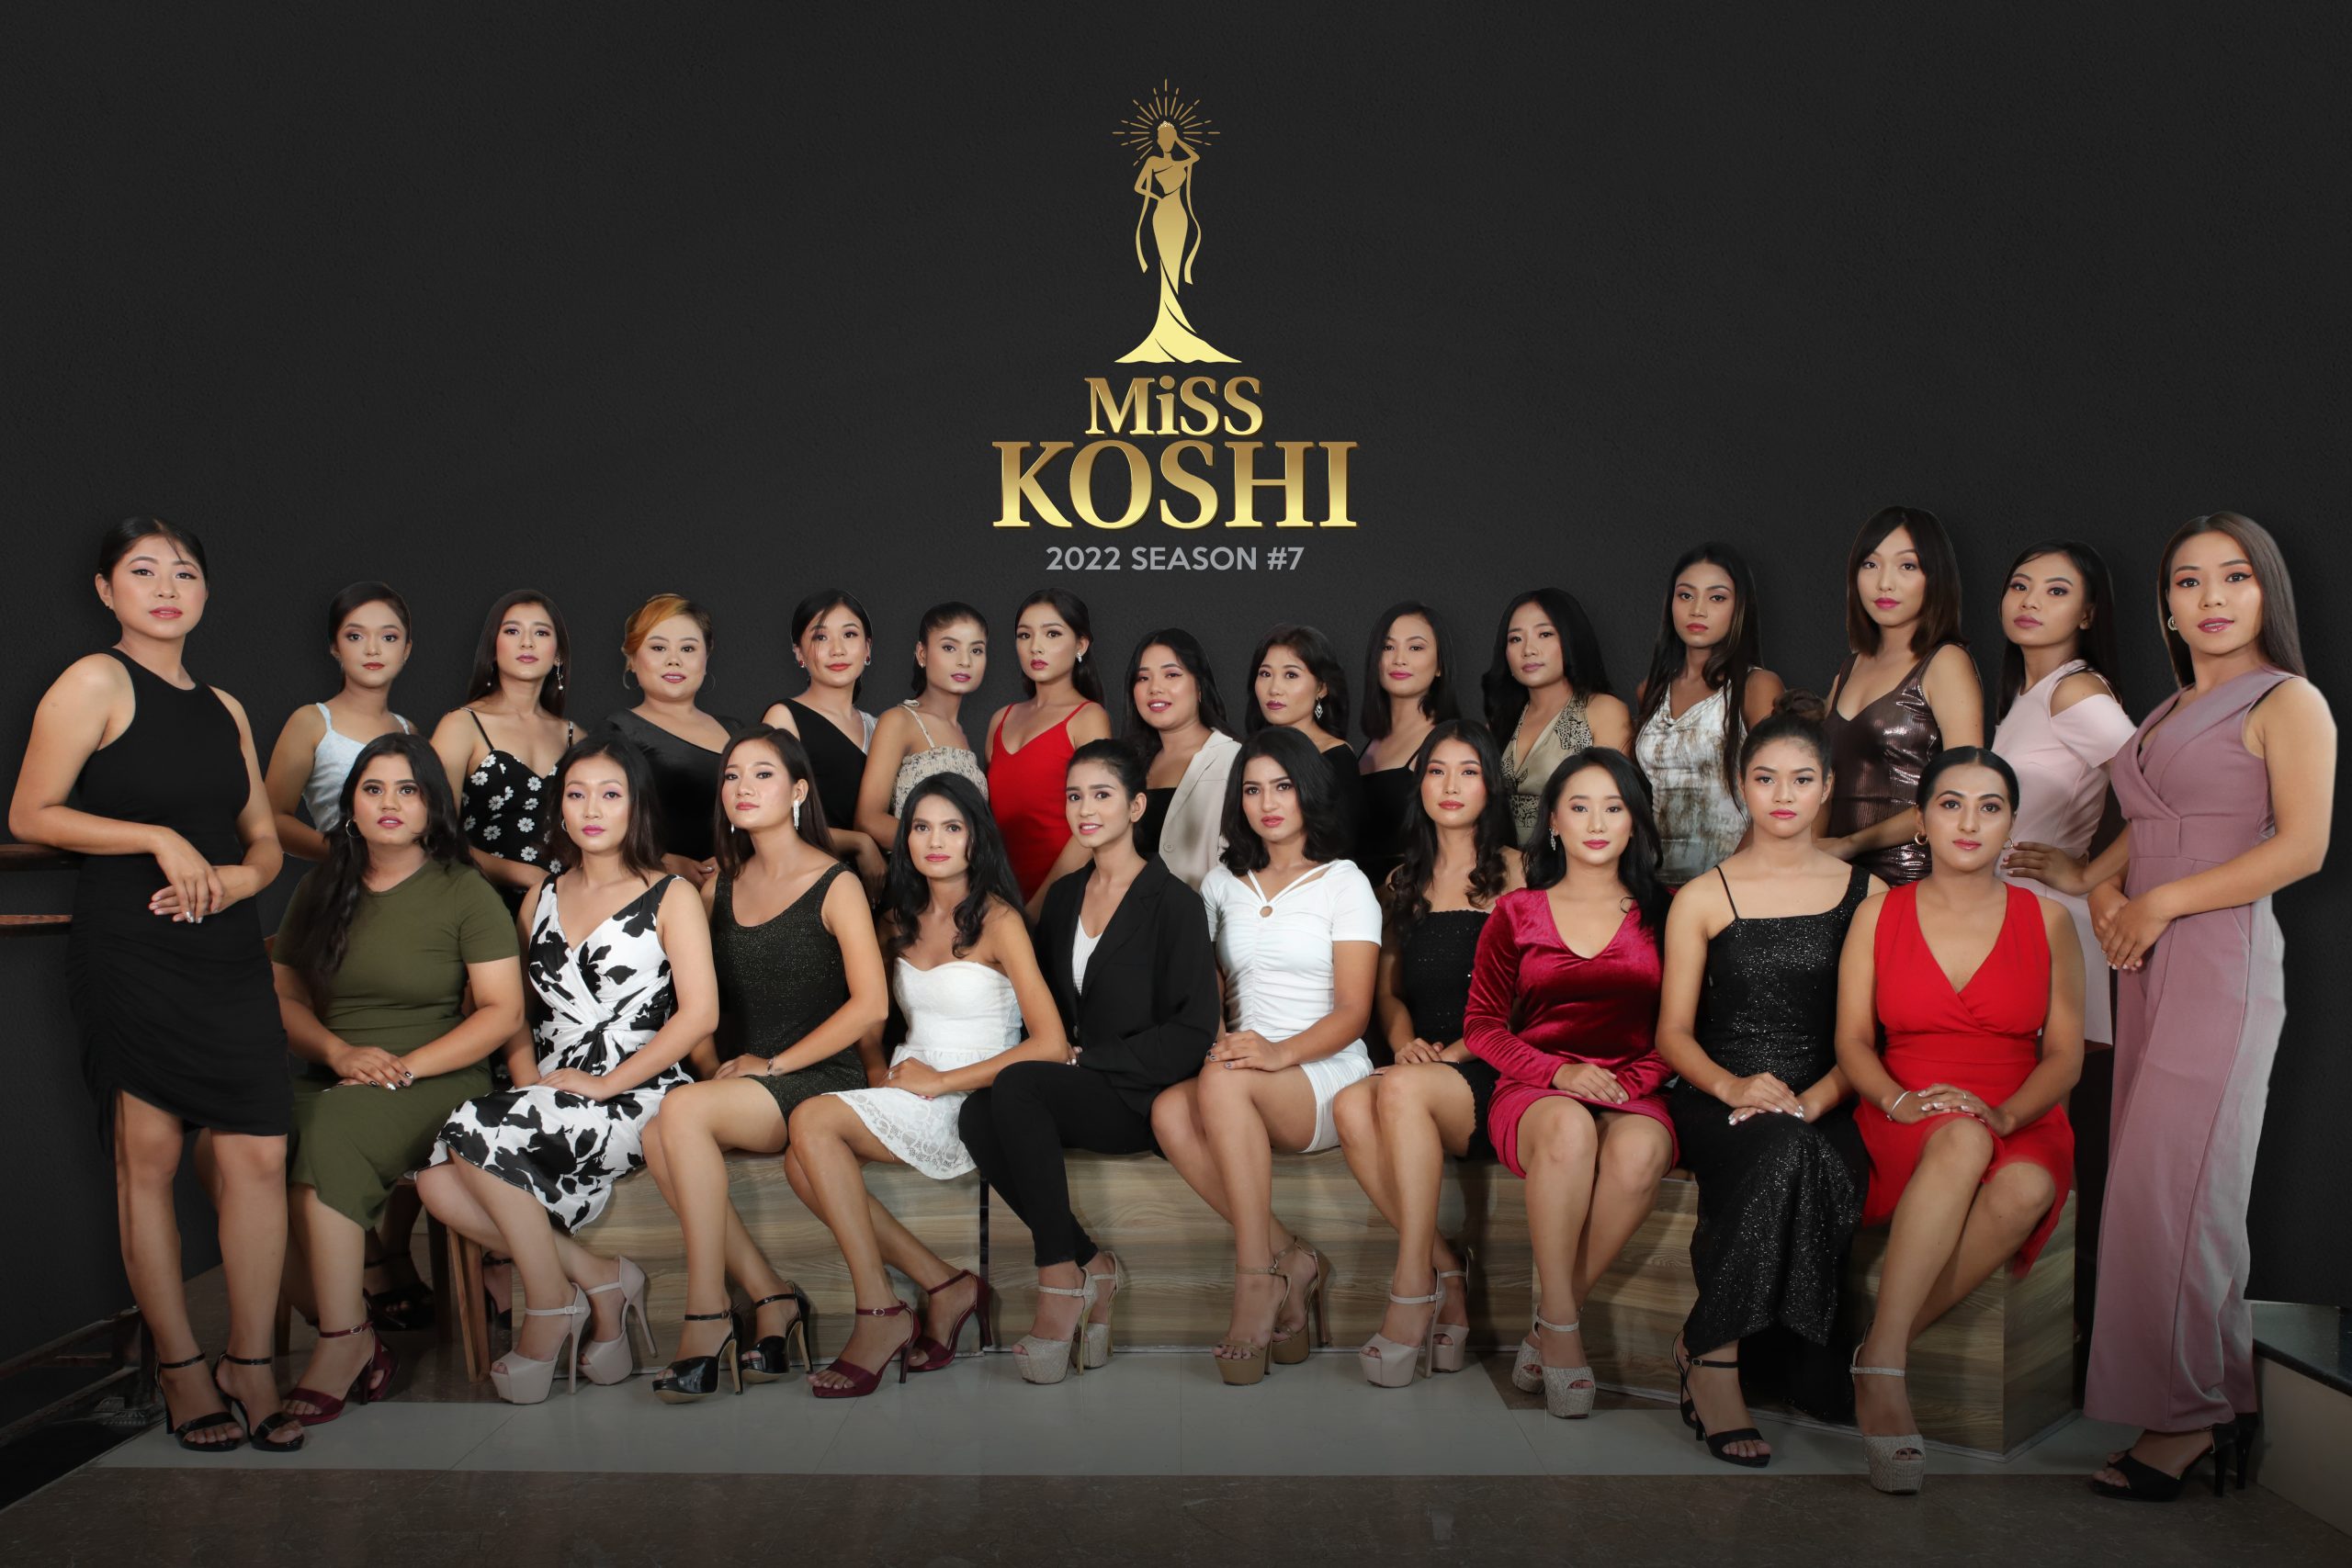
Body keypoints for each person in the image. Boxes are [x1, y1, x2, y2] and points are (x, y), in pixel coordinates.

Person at [9, 518, 301, 1453]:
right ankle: (179, 1366)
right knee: (151, 1156)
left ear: (205, 591)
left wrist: (247, 881)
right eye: (143, 571)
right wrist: (155, 837)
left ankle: (249, 1361)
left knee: (258, 1156)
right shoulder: (93, 681)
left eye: (184, 572)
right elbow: (31, 812)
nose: (167, 588)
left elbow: (263, 837)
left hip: (226, 950)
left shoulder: (225, 706)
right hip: (132, 946)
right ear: (107, 590)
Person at [2075, 514, 2335, 1501]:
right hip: (2144, 959)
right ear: (2166, 606)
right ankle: (2220, 1397)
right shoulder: (2168, 708)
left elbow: (2303, 847)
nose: (2212, 598)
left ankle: (2182, 1417)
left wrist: (2159, 902)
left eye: (2234, 577)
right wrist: (2108, 892)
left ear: (2267, 591)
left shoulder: (2288, 699)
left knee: (2181, 1188)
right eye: (2188, 581)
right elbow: (2139, 831)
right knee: (2161, 1187)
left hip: (2218, 957)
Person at [420, 736, 718, 1404]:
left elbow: (700, 1015)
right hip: (553, 1087)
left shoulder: (672, 894)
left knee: (466, 1127)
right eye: (576, 794)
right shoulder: (541, 897)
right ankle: (599, 1278)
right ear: (559, 806)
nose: (591, 809)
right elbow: (515, 1011)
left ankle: (550, 1305)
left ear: (636, 805)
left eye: (610, 794)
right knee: (436, 1182)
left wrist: (607, 1083)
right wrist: (526, 1079)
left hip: (638, 1088)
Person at [1834, 748, 2083, 1495]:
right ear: (1921, 819)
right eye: (1951, 804)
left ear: (2012, 823)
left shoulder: (2050, 919)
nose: (1969, 822)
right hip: (1903, 1105)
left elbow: (2065, 1055)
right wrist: (1898, 1100)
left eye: (1990, 806)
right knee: (1962, 1139)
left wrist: (2007, 1111)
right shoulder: (1878, 912)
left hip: (2018, 1104)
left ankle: (1880, 1348)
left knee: (2027, 1187)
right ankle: (1884, 1371)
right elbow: (1852, 1041)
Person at [783, 775, 1069, 1396]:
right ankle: (944, 1283)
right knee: (798, 1161)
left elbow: (1050, 1044)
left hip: (974, 1094)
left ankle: (879, 1310)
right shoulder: (897, 920)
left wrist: (941, 1081)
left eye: (951, 827)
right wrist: (878, 1073)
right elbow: (872, 1017)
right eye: (920, 827)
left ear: (976, 839)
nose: (935, 841)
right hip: (909, 1084)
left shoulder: (999, 920)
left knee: (809, 1121)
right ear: (905, 838)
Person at [1654, 694, 1883, 1463]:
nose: (1783, 795)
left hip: (1827, 1095)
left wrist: (1814, 1099)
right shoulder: (1701, 895)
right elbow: (1672, 1035)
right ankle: (1716, 1362)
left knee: (1808, 1149)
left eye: (1802, 779)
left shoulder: (1868, 895)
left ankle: (1704, 1337)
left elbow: (1867, 1035)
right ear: (1741, 786)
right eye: (1765, 778)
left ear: (1827, 787)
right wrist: (1734, 1087)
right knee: (1782, 1147)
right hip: (1718, 1095)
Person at [270, 734, 526, 1426]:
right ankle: (348, 1324)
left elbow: (502, 1012)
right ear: (350, 805)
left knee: (332, 1128)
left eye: (407, 789)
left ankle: (342, 1341)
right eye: (373, 788)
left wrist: (402, 1067)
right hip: (336, 1068)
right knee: (225, 1146)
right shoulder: (320, 887)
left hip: (435, 1073)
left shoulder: (464, 889)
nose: (390, 803)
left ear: (432, 805)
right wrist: (338, 1052)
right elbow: (283, 997)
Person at [635, 728, 888, 1402]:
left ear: (799, 790)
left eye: (763, 774)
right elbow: (696, 1002)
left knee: (677, 1113)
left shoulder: (835, 883)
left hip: (818, 1076)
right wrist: (718, 1067)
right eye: (731, 776)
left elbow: (871, 1006)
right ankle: (771, 1296)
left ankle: (707, 1314)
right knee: (658, 1133)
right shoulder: (716, 885)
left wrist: (773, 1065)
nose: (742, 787)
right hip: (749, 1077)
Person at [957, 740, 1220, 1382]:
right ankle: (1090, 1263)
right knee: (976, 1114)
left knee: (1019, 1086)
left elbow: (1191, 1031)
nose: (1085, 809)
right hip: (1075, 1086)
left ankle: (1058, 1282)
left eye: (1102, 795)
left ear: (1136, 807)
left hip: (1140, 1093)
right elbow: (1046, 1006)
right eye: (1074, 796)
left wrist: (1092, 1060)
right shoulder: (1065, 897)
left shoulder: (1175, 902)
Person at [1151, 728, 1381, 1386]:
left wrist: (1279, 1053)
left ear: (1309, 790)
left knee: (1223, 1083)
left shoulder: (1345, 882)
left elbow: (1353, 1011)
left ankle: (1255, 1277)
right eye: (1252, 790)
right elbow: (1208, 990)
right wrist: (1229, 1044)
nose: (1267, 802)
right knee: (1169, 1111)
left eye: (1282, 786)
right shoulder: (1221, 884)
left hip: (1323, 1070)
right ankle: (1291, 1258)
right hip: (1242, 1066)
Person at [1465, 749, 1675, 1419]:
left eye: (1614, 807)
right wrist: (1558, 1072)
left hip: (1632, 1085)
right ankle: (1562, 1329)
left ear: (1636, 820)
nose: (1597, 822)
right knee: (1568, 1126)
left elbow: (1682, 1030)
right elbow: (1481, 1027)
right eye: (1579, 807)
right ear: (1553, 819)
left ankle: (1550, 1320)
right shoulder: (1517, 911)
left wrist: (1625, 1082)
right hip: (1535, 1087)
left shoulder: (1667, 911)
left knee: (1640, 1151)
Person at [1329, 720, 1521, 1386]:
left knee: (1399, 1089)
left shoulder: (1520, 874)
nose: (1451, 785)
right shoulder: (1399, 880)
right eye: (1437, 771)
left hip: (1494, 1066)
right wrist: (1405, 1041)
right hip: (1425, 1066)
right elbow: (1387, 991)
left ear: (1490, 785)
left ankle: (1411, 1285)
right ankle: (1447, 1267)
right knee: (1350, 1104)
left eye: (1468, 771)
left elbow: (1527, 996)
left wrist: (1452, 1055)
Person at [1982, 542, 2133, 1348]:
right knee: (2014, 1116)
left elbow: (2164, 790)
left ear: (2088, 611)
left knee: (2043, 1122)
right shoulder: (2028, 696)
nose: (2030, 600)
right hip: (2001, 916)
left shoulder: (2076, 689)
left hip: (2048, 922)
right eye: (2019, 585)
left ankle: (2052, 1335)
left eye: (2055, 589)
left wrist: (2087, 872)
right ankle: (2028, 1327)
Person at [1819, 507, 1982, 885]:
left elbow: (1964, 789)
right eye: (1870, 565)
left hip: (1910, 879)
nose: (1884, 583)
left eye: (1907, 566)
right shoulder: (1850, 667)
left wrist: (1850, 845)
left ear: (1935, 577)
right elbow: (1818, 777)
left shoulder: (1946, 662)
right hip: (1835, 880)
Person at [1631, 547, 1783, 885]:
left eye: (1717, 598)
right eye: (1685, 595)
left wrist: (1724, 883)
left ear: (1739, 608)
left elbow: (1776, 795)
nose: (1697, 609)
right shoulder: (1650, 691)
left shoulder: (1756, 686)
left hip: (1732, 883)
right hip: (1652, 883)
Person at [429, 590, 578, 909]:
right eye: (512, 631)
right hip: (479, 904)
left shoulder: (575, 736)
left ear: (558, 655)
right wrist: (524, 874)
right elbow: (435, 834)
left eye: (541, 632)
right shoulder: (461, 725)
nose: (527, 643)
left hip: (562, 907)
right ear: (493, 650)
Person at [264, 581, 418, 863]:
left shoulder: (408, 730)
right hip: (345, 880)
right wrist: (347, 855)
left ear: (406, 649)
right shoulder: (311, 722)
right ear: (335, 646)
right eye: (355, 636)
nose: (373, 649)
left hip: (412, 880)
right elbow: (272, 819)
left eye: (389, 637)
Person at [988, 589, 1114, 915]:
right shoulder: (1000, 720)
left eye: (1052, 634)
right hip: (998, 898)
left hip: (1063, 900)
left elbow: (1094, 821)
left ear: (1081, 645)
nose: (1036, 647)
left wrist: (1035, 911)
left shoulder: (1088, 718)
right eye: (1024, 635)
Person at [605, 593, 738, 886]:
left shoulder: (737, 732)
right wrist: (660, 861)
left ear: (706, 656)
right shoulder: (617, 731)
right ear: (632, 659)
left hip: (739, 891)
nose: (674, 660)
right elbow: (594, 820)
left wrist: (739, 856)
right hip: (652, 890)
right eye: (658, 648)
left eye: (688, 648)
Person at [761, 588, 887, 890]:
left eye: (850, 635)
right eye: (821, 637)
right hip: (810, 888)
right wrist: (859, 842)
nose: (837, 649)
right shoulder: (784, 718)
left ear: (868, 648)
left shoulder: (879, 726)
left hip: (881, 891)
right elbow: (773, 820)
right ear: (798, 652)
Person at [1484, 590, 1630, 847]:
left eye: (1545, 634)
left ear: (1570, 640)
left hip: (1572, 862)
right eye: (1516, 639)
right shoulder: (1498, 724)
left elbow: (1611, 808)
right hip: (1501, 862)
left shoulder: (1603, 710)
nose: (1528, 650)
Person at [854, 601, 989, 852]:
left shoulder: (962, 733)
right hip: (915, 871)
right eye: (949, 647)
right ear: (922, 653)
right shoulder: (900, 721)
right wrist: (941, 847)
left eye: (976, 650)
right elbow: (868, 820)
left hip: (966, 874)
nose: (965, 661)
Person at [1125, 628, 1241, 888]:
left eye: (1172, 675)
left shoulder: (1234, 759)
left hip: (1203, 911)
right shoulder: (1129, 766)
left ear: (1199, 687)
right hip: (1130, 910)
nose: (1155, 688)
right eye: (1143, 678)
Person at [1357, 602, 1461, 892]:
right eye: (1387, 647)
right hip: (1356, 902)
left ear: (1440, 665)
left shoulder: (1449, 743)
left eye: (1415, 648)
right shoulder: (1368, 745)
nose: (1399, 659)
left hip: (1411, 899)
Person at [1245, 623, 1366, 857]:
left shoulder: (1335, 757)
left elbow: (1344, 847)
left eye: (1291, 675)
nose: (1274, 689)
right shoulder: (1251, 754)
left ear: (1321, 688)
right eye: (1265, 674)